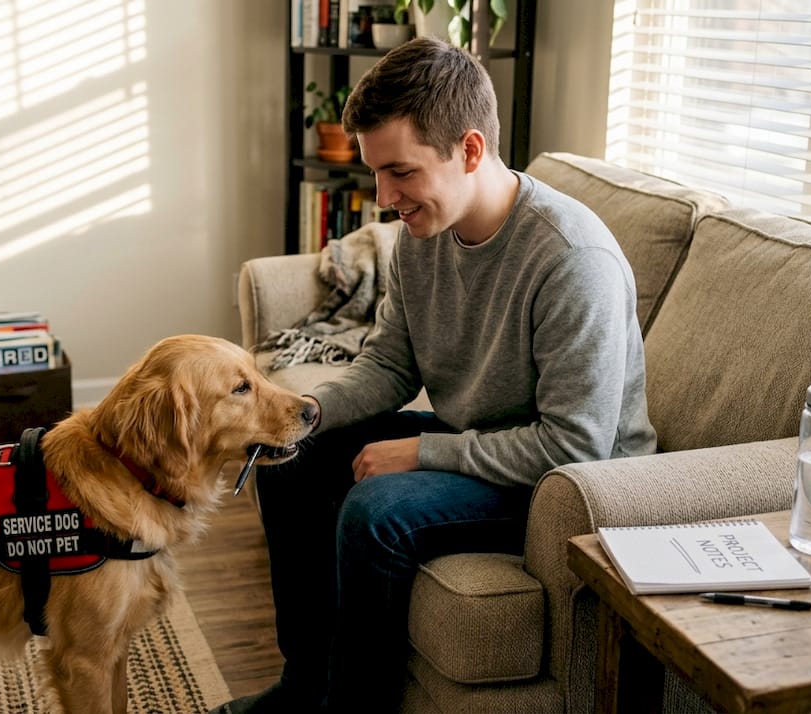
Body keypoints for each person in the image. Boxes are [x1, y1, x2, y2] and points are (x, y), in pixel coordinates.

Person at [212, 36, 657, 714]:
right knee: (295, 458)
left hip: (572, 488)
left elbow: (575, 446)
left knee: (378, 512)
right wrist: (305, 411)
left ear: (469, 150)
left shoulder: (571, 259)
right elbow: (391, 363)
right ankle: (303, 690)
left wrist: (422, 451)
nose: (385, 197)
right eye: (377, 174)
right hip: (483, 443)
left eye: (401, 172)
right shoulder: (423, 237)